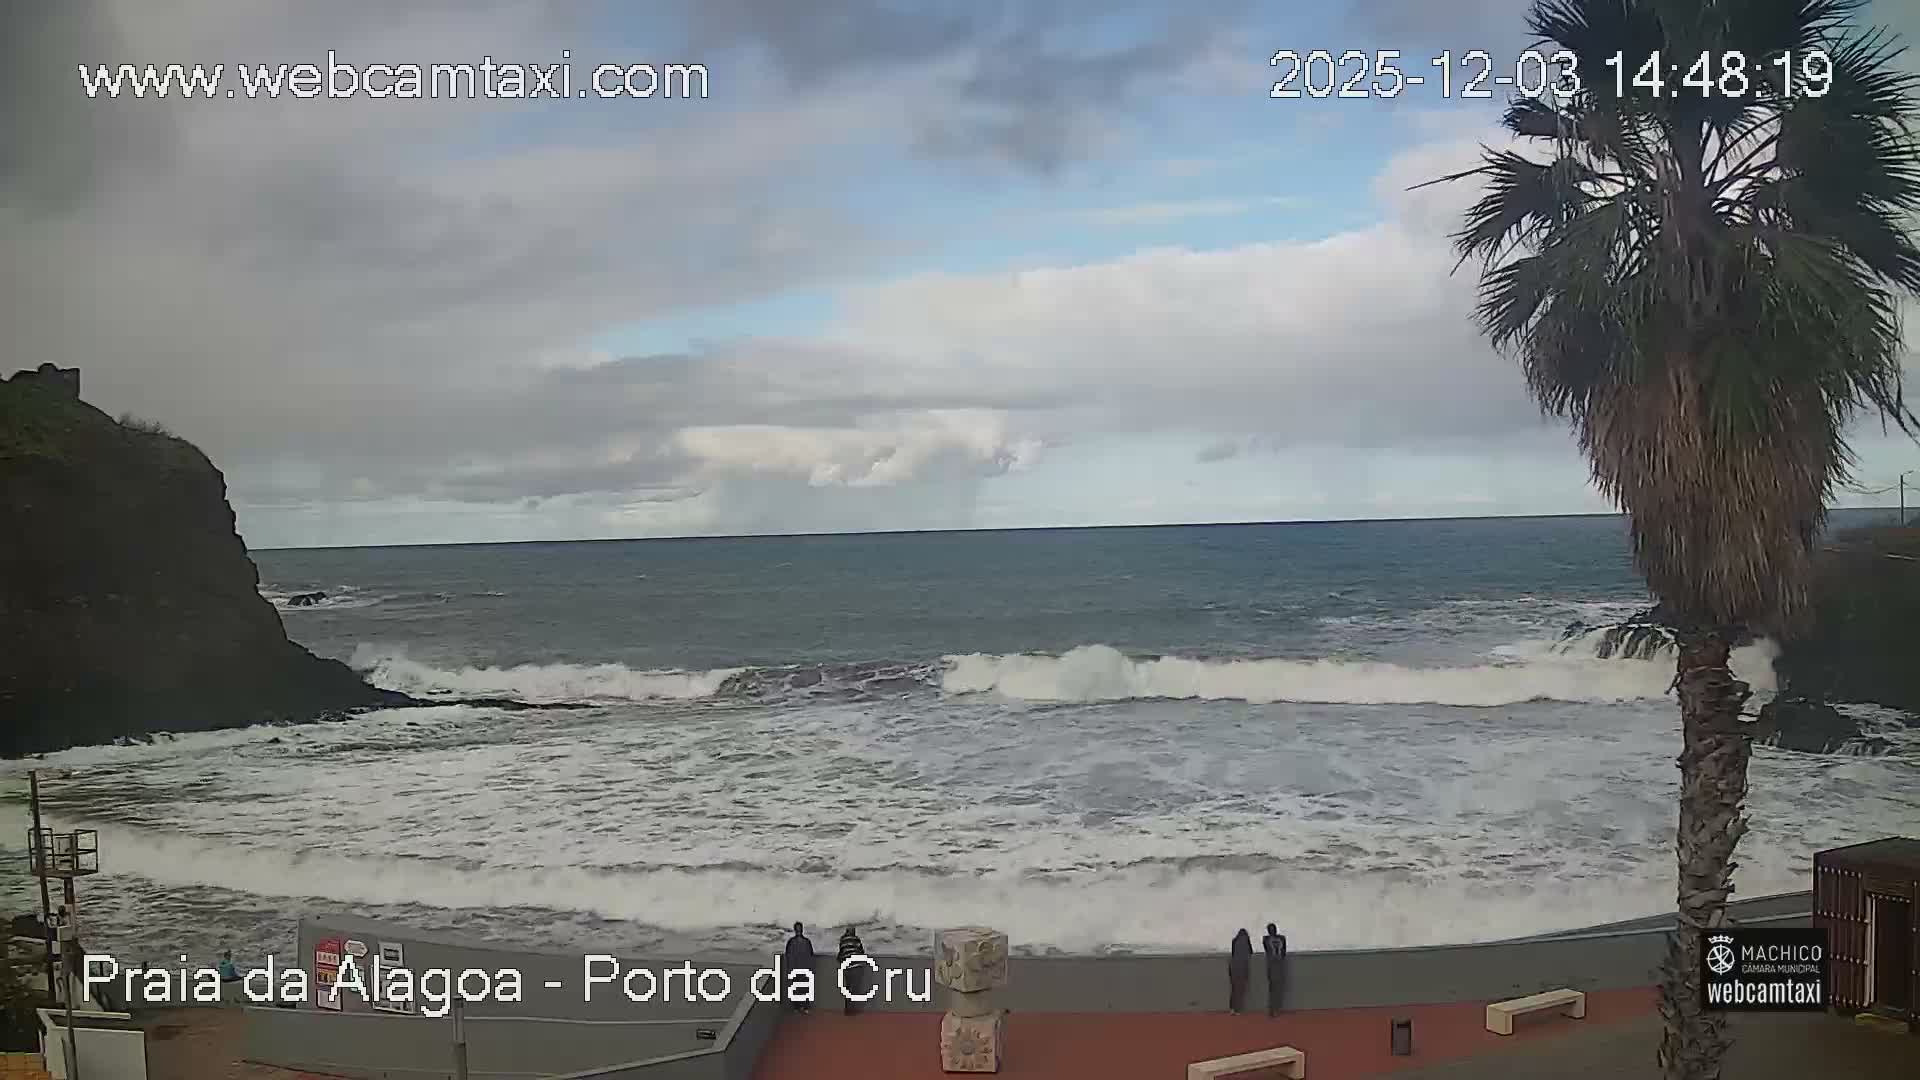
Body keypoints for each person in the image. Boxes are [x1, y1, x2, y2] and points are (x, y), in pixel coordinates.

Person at [782, 922, 816, 1014]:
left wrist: (789, 968)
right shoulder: (807, 941)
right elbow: (811, 955)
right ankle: (804, 1007)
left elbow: (788, 955)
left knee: (797, 988)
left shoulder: (791, 942)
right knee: (803, 988)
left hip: (796, 968)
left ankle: (798, 1007)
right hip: (803, 968)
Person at [837, 926, 870, 1016]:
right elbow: (861, 952)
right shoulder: (856, 939)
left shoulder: (842, 940)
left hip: (847, 967)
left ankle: (847, 1008)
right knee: (854, 989)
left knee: (848, 988)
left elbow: (840, 953)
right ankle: (852, 1010)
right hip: (856, 966)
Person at [1262, 924, 1288, 1016]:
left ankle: (1274, 1008)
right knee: (1274, 988)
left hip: (1275, 966)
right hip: (1275, 966)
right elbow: (1282, 952)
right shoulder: (1275, 939)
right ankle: (1274, 1008)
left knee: (1275, 988)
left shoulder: (1271, 939)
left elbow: (1283, 951)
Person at [1227, 929, 1252, 1014]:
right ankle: (1237, 1009)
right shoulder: (1246, 941)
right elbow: (1250, 952)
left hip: (1233, 966)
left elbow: (1233, 953)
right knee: (1240, 989)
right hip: (1242, 967)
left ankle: (1232, 1008)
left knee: (1234, 988)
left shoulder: (1234, 940)